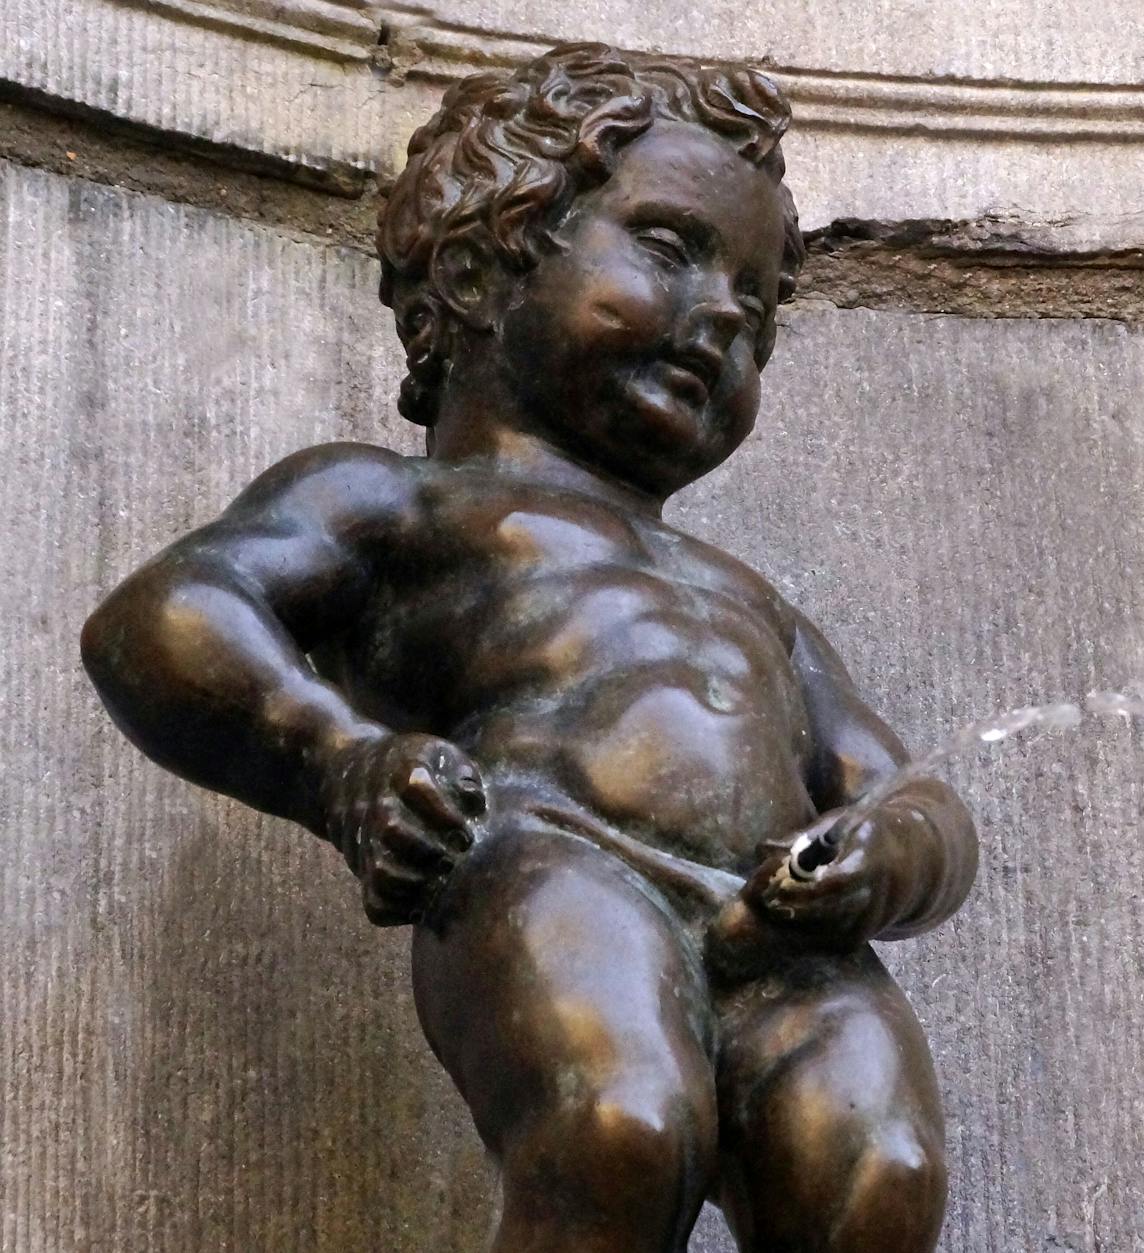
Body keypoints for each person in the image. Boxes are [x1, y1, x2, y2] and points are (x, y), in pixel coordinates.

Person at [80, 43, 977, 1253]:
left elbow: (905, 786)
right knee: (617, 1123)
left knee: (878, 1171)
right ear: (484, 256)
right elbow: (169, 616)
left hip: (787, 935)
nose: (721, 316)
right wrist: (338, 761)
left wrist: (885, 850)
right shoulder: (397, 503)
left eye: (756, 315)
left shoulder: (751, 600)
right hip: (548, 860)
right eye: (668, 248)